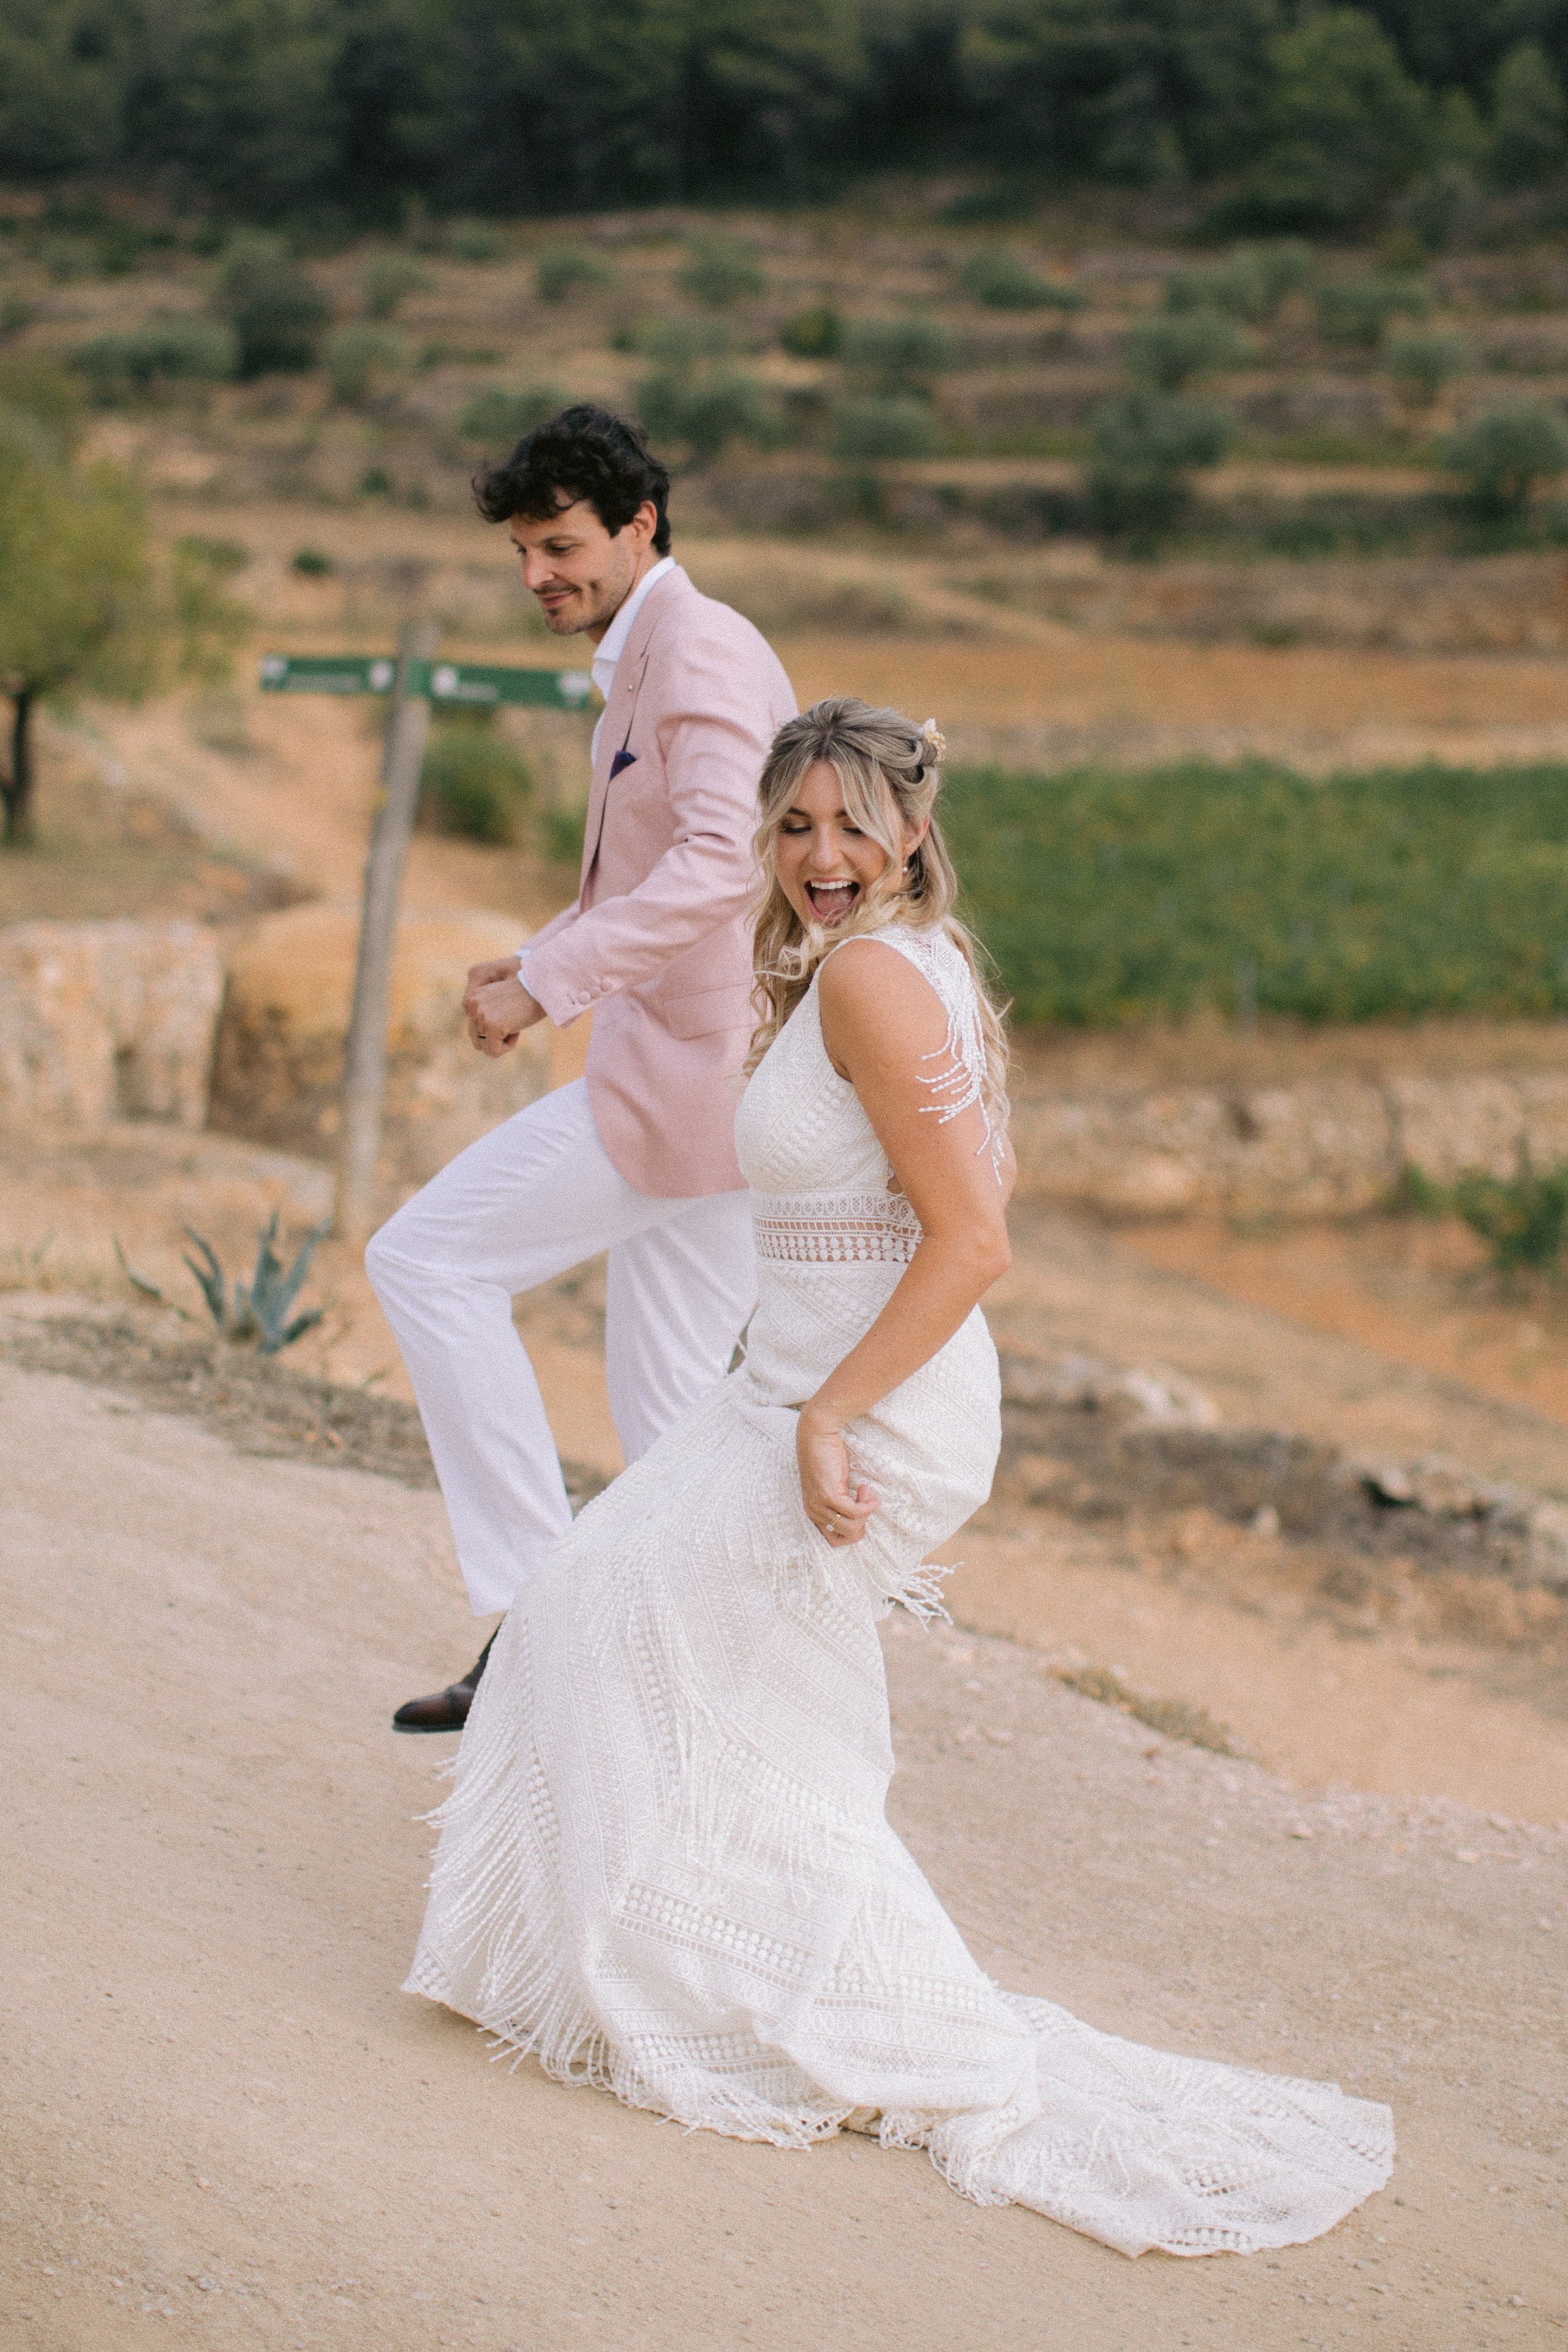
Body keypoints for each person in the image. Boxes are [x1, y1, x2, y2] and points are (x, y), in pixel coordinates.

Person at [405, 698, 1393, 2257]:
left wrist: (829, 1416)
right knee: (597, 1618)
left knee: (615, 1627)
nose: (822, 856)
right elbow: (936, 1188)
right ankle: (695, 1963)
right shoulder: (874, 962)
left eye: (854, 826)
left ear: (914, 832)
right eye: (794, 826)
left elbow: (975, 1238)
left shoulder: (873, 978)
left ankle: (813, 1998)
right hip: (792, 1391)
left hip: (865, 1415)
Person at [367, 406, 795, 1732]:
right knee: (671, 1416)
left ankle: (538, 1622)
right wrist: (537, 960)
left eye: (560, 546)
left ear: (639, 526)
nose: (537, 574)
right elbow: (645, 875)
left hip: (688, 1080)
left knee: (427, 1263)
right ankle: (687, 1702)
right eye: (522, 552)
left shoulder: (697, 651)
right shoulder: (652, 653)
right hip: (719, 1089)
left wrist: (550, 985)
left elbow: (722, 862)